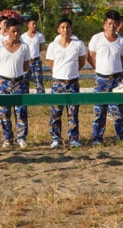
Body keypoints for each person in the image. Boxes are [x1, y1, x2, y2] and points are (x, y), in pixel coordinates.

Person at [88, 10, 123, 146]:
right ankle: (97, 138)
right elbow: (91, 56)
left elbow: (122, 60)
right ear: (104, 24)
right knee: (99, 110)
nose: (111, 26)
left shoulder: (122, 41)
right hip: (101, 78)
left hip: (117, 78)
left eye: (114, 24)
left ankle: (122, 137)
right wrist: (99, 68)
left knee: (118, 109)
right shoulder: (96, 38)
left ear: (118, 25)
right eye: (109, 23)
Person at [46, 17, 87, 149]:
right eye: (62, 27)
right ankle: (55, 139)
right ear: (58, 30)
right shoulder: (53, 46)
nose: (65, 30)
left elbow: (81, 62)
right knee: (56, 112)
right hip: (58, 82)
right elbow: (51, 64)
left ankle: (73, 138)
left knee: (73, 112)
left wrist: (72, 72)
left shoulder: (78, 44)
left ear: (71, 29)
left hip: (73, 82)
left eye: (68, 27)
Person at [0, 18, 32, 148]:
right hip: (4, 82)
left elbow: (26, 66)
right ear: (7, 31)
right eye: (13, 31)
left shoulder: (24, 47)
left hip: (19, 82)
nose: (16, 34)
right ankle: (7, 138)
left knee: (20, 111)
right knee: (4, 112)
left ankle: (21, 137)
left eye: (18, 32)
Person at [20, 14, 46, 94]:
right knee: (24, 80)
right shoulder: (23, 37)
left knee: (38, 80)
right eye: (32, 24)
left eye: (35, 24)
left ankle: (41, 97)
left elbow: (40, 48)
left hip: (36, 60)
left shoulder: (39, 35)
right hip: (26, 61)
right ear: (28, 25)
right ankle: (25, 97)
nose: (34, 26)